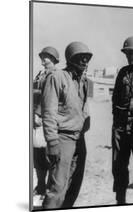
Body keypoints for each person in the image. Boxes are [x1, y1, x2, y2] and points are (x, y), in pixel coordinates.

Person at [41, 41, 92, 209]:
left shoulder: (84, 81)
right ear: (70, 59)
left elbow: (84, 109)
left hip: (79, 140)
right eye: (80, 58)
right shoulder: (56, 77)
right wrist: (52, 141)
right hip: (62, 139)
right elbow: (48, 112)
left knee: (74, 186)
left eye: (87, 58)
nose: (85, 62)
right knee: (57, 188)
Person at [111, 36, 133, 204]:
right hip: (120, 126)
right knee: (118, 166)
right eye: (127, 53)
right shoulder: (123, 72)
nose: (129, 57)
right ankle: (120, 201)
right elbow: (115, 97)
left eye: (132, 53)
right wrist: (117, 122)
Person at [33, 46, 59, 202]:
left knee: (47, 156)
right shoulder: (40, 74)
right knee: (37, 156)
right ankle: (41, 185)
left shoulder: (55, 75)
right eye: (42, 56)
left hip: (46, 120)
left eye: (46, 56)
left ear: (54, 59)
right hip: (36, 120)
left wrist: (39, 114)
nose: (43, 59)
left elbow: (48, 97)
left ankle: (48, 187)